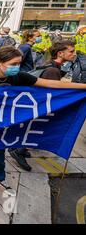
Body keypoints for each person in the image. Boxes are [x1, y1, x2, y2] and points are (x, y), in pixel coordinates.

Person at [0, 46, 86, 198]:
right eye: (13, 64)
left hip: (1, 124)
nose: (17, 67)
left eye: (19, 63)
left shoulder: (19, 77)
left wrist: (83, 87)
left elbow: (52, 84)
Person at [9, 40, 78, 171]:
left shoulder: (52, 66)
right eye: (71, 51)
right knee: (41, 128)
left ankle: (19, 148)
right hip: (41, 107)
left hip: (36, 105)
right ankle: (18, 151)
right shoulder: (53, 70)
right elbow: (51, 92)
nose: (74, 54)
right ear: (60, 53)